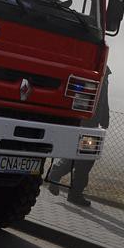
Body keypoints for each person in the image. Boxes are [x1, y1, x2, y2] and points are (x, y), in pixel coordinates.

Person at [46, 66, 111, 207]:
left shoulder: (102, 73)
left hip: (89, 124)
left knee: (81, 156)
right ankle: (73, 192)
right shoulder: (96, 72)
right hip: (87, 123)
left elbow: (103, 100)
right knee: (85, 159)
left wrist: (104, 118)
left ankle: (59, 177)